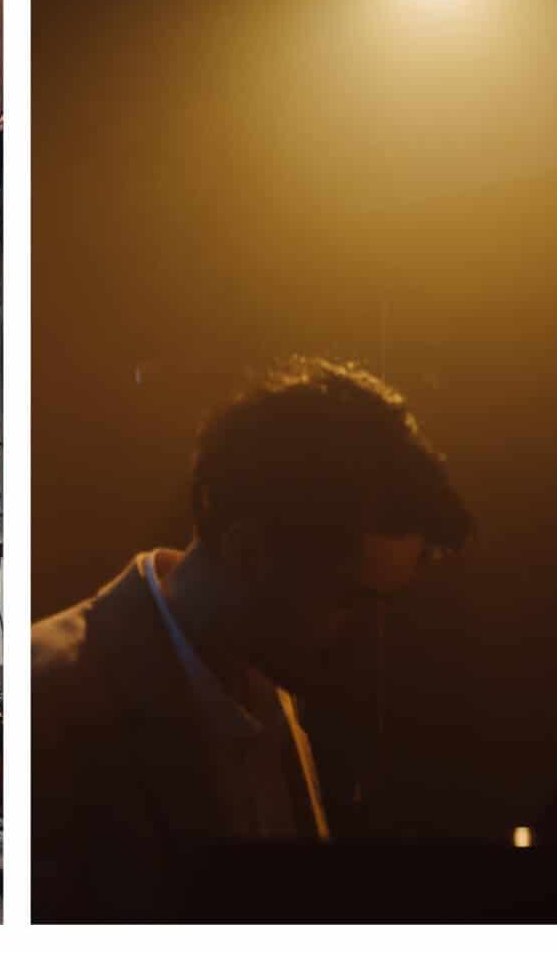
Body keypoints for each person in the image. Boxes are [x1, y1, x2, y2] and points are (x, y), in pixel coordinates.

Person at [32, 358, 474, 921]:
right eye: (350, 600)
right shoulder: (50, 702)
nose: (367, 636)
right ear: (248, 553)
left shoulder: (268, 679)